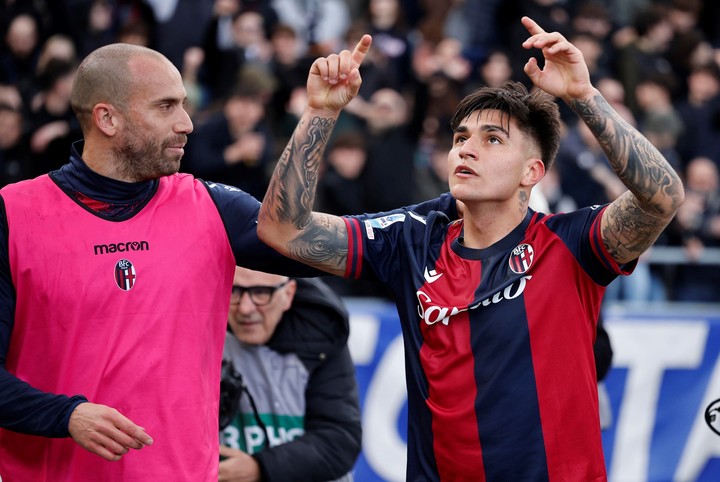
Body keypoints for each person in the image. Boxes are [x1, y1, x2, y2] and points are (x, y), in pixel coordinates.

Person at [256, 16, 684, 481]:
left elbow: (661, 197)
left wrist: (584, 96)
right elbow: (284, 230)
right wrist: (321, 111)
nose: (465, 150)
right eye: (460, 138)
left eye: (492, 139)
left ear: (532, 173)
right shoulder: (411, 238)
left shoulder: (572, 242)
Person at [218, 266, 361, 481]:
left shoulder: (323, 334)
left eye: (261, 293)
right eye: (234, 291)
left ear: (288, 294)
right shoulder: (196, 333)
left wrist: (259, 468)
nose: (246, 308)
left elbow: (339, 440)